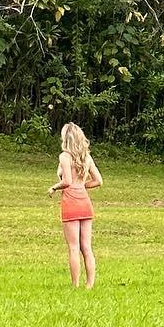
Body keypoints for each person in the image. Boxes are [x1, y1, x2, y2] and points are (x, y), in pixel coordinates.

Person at [48, 121, 102, 288]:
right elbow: (98, 181)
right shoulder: (86, 157)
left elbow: (67, 181)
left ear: (66, 139)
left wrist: (53, 187)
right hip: (85, 203)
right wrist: (83, 186)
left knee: (73, 247)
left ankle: (75, 285)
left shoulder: (64, 156)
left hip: (70, 202)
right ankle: (90, 285)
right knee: (87, 247)